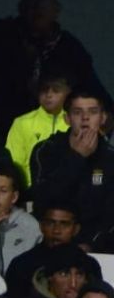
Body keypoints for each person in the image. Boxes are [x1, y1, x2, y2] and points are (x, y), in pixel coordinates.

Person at [0, 0, 105, 126]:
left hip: (54, 140)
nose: (39, 7)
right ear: (21, 6)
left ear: (56, 9)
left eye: (45, 0)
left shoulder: (70, 50)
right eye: (32, 0)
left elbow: (98, 98)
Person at [28, 88, 114, 243]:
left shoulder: (110, 157)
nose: (85, 118)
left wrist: (91, 244)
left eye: (93, 112)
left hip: (98, 246)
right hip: (51, 241)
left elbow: (110, 215)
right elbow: (43, 201)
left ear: (103, 118)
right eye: (77, 112)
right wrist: (77, 157)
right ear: (67, 118)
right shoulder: (46, 151)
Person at [5, 72, 71, 185]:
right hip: (30, 194)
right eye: (44, 90)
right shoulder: (22, 123)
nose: (49, 95)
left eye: (56, 90)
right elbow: (14, 164)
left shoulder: (74, 123)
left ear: (67, 93)